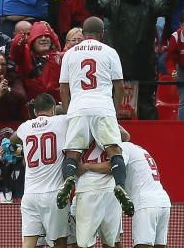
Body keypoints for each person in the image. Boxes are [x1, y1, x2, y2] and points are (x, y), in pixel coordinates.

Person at [57, 16, 133, 216]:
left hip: (78, 107)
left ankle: (68, 180)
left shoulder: (70, 54)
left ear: (83, 33)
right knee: (114, 151)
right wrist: (114, 113)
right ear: (102, 34)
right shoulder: (110, 52)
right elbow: (119, 87)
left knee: (72, 152)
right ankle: (121, 186)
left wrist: (67, 112)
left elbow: (63, 88)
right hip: (102, 106)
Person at [11, 93, 75, 248]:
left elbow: (11, 140)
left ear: (35, 110)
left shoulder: (24, 127)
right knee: (60, 244)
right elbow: (74, 115)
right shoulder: (61, 121)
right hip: (54, 193)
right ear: (52, 109)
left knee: (28, 245)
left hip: (30, 194)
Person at [84, 0, 176, 120]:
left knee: (146, 107)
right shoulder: (113, 0)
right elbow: (94, 7)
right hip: (117, 64)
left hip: (144, 64)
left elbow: (166, 9)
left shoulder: (150, 0)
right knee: (115, 106)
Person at [70, 135, 140, 248]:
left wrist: (86, 166)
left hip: (86, 190)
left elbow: (74, 167)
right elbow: (114, 164)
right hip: (110, 192)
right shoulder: (111, 135)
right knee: (112, 246)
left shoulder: (79, 135)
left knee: (83, 247)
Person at [119, 137, 172, 248]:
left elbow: (117, 168)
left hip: (146, 201)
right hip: (163, 199)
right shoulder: (141, 149)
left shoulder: (122, 148)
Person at [10, 21, 62, 101]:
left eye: (46, 36)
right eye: (39, 36)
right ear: (32, 41)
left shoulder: (59, 57)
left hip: (56, 107)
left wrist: (50, 30)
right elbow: (15, 52)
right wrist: (20, 37)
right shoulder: (26, 58)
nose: (44, 39)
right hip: (32, 108)